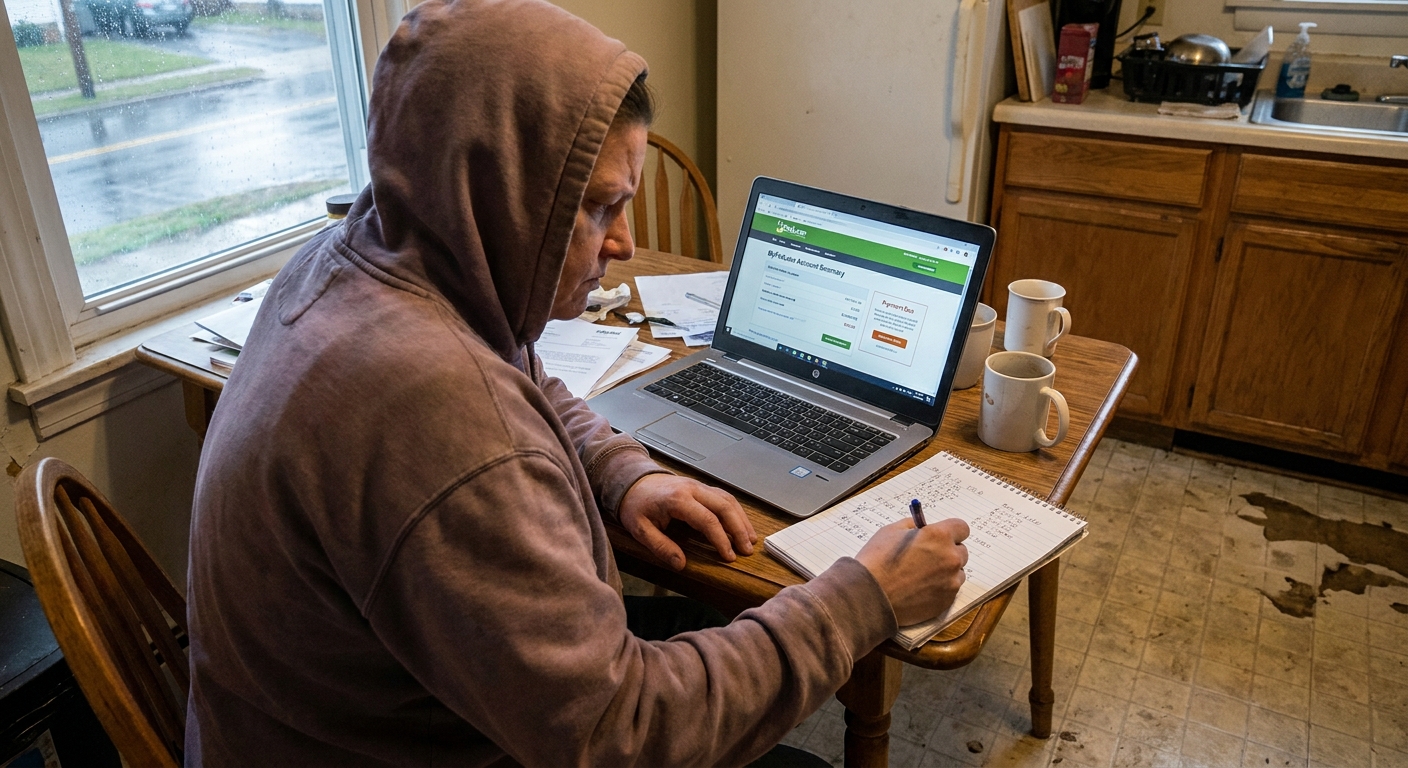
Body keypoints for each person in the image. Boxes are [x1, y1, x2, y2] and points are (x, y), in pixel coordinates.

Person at [184, 0, 971, 765]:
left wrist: (620, 469)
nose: (625, 244)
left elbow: (520, 374)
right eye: (599, 209)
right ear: (493, 191)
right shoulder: (442, 421)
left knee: (702, 614)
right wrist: (866, 596)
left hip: (349, 712)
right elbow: (624, 733)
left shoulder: (367, 252)